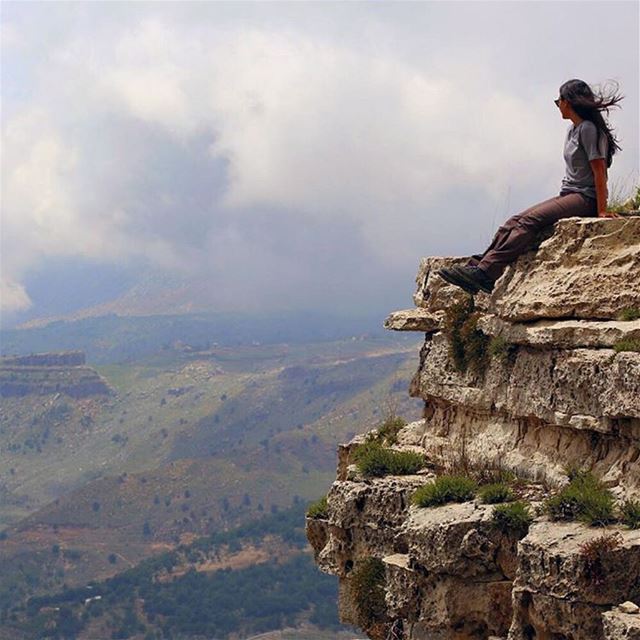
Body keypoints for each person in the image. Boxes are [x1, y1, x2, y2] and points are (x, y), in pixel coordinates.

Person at [438, 78, 624, 295]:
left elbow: (599, 171)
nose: (558, 106)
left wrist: (601, 210)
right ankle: (478, 267)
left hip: (585, 198)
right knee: (514, 221)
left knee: (529, 221)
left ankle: (486, 273)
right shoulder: (572, 130)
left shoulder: (588, 129)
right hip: (569, 194)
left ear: (568, 102)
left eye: (559, 101)